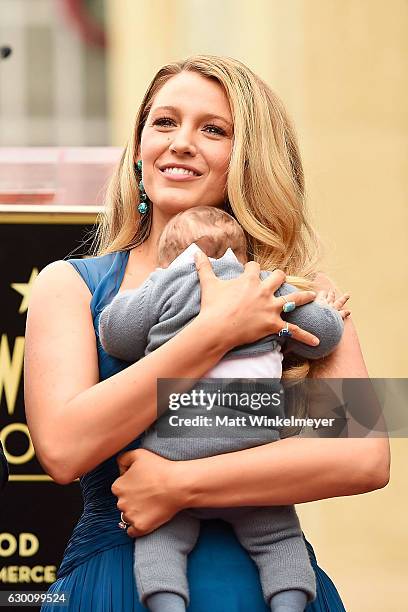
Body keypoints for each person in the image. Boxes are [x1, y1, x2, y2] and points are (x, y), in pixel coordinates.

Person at [24, 55, 390, 612]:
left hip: (268, 587)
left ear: (245, 161)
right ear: (140, 145)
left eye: (212, 129)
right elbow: (63, 448)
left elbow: (362, 459)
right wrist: (213, 333)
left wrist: (177, 485)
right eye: (164, 122)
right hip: (121, 587)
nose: (181, 142)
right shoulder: (72, 286)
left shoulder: (294, 290)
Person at [98, 204, 349, 612]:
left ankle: (165, 602)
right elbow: (321, 335)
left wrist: (144, 292)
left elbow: (116, 335)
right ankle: (288, 603)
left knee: (159, 539)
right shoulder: (267, 286)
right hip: (252, 462)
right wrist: (329, 314)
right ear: (244, 256)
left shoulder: (164, 283)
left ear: (170, 258)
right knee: (278, 537)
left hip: (172, 452)